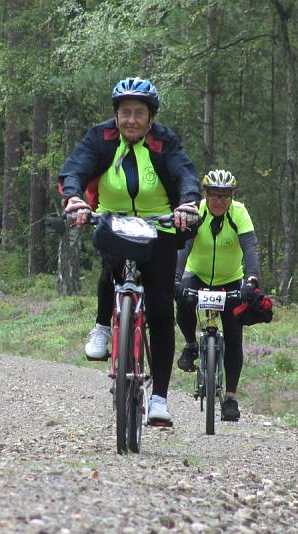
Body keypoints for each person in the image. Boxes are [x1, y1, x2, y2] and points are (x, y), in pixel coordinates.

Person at [59, 76, 201, 426]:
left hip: (160, 228)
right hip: (114, 222)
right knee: (110, 270)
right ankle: (103, 327)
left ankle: (159, 399)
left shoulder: (163, 141)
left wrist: (187, 204)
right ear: (116, 115)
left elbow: (185, 174)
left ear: (150, 117)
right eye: (125, 113)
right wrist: (74, 198)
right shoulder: (101, 137)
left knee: (160, 311)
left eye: (139, 113)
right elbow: (75, 168)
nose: (131, 120)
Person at [174, 169, 260, 422]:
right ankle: (191, 346)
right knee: (184, 299)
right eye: (214, 195)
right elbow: (184, 246)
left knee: (234, 336)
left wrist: (251, 279)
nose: (219, 201)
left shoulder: (239, 213)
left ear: (232, 196)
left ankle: (231, 398)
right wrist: (176, 277)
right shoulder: (196, 212)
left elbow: (250, 247)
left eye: (225, 195)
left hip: (230, 279)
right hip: (197, 274)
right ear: (206, 195)